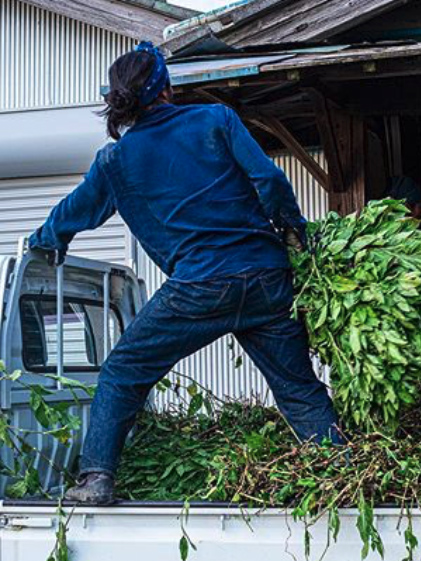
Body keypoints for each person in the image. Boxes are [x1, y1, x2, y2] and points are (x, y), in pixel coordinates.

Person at [29, 42, 342, 505]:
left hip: (200, 287)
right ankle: (345, 473)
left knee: (123, 370)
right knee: (298, 388)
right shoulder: (215, 119)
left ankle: (96, 479)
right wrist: (292, 228)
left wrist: (44, 242)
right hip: (267, 279)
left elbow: (72, 214)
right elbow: (271, 180)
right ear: (167, 90)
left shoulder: (115, 161)